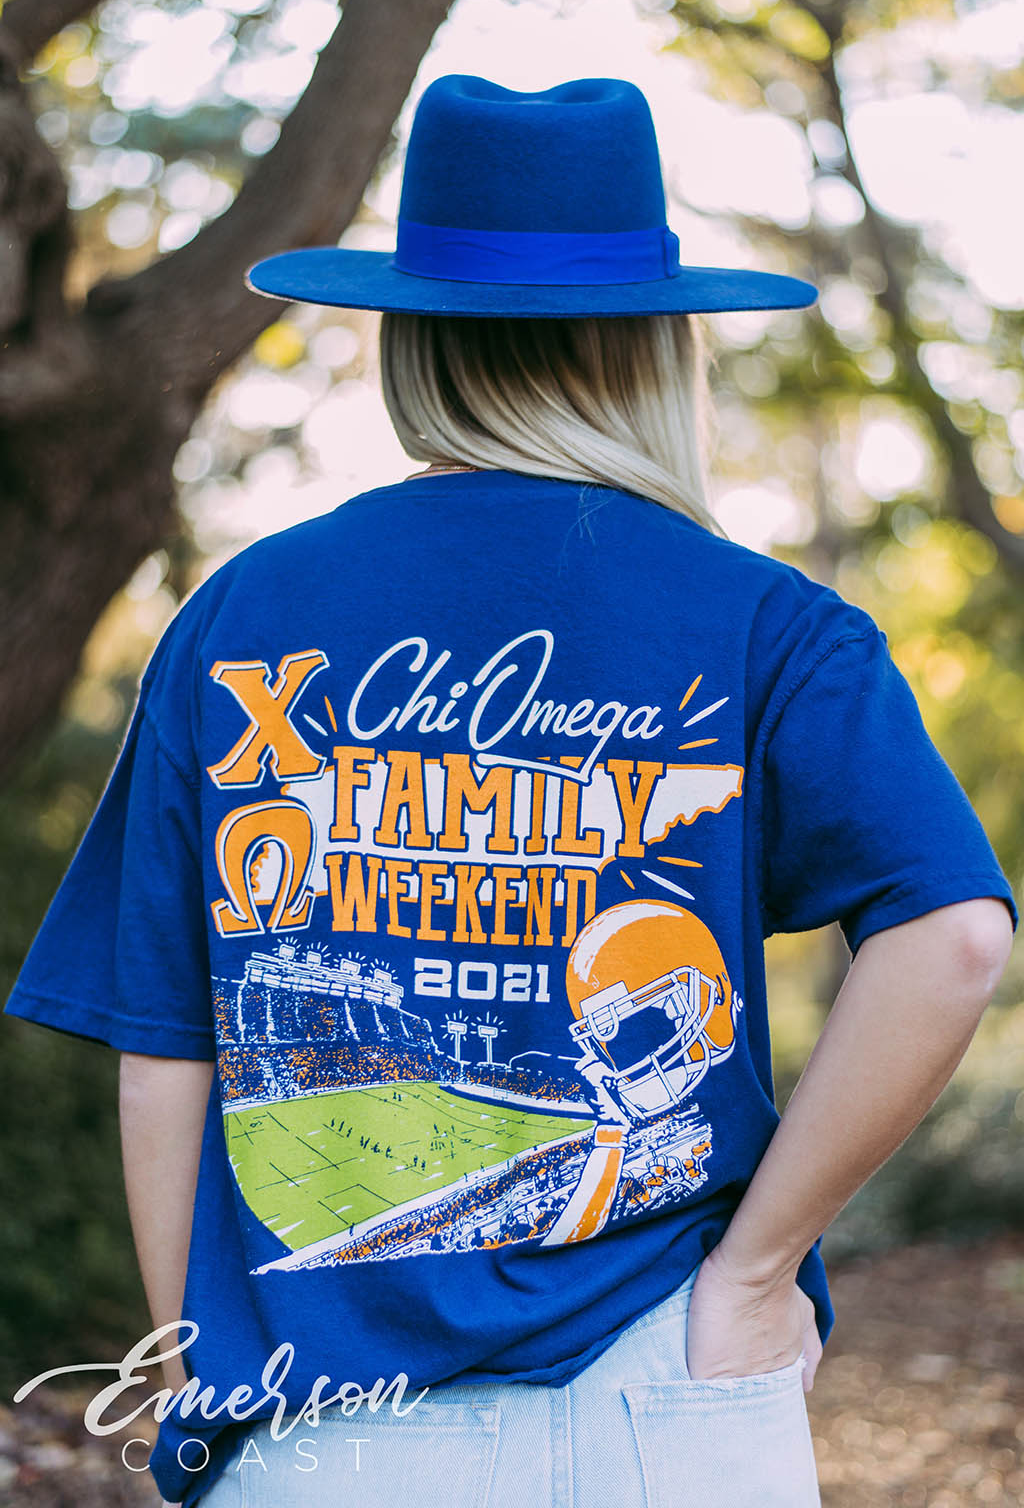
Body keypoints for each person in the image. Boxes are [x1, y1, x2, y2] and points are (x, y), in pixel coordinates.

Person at [3, 74, 1017, 1508]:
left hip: (325, 1427)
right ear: (658, 345)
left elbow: (166, 1045)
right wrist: (757, 1270)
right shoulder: (770, 624)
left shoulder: (242, 615)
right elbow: (956, 937)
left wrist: (195, 1379)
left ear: (412, 337)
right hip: (672, 1397)